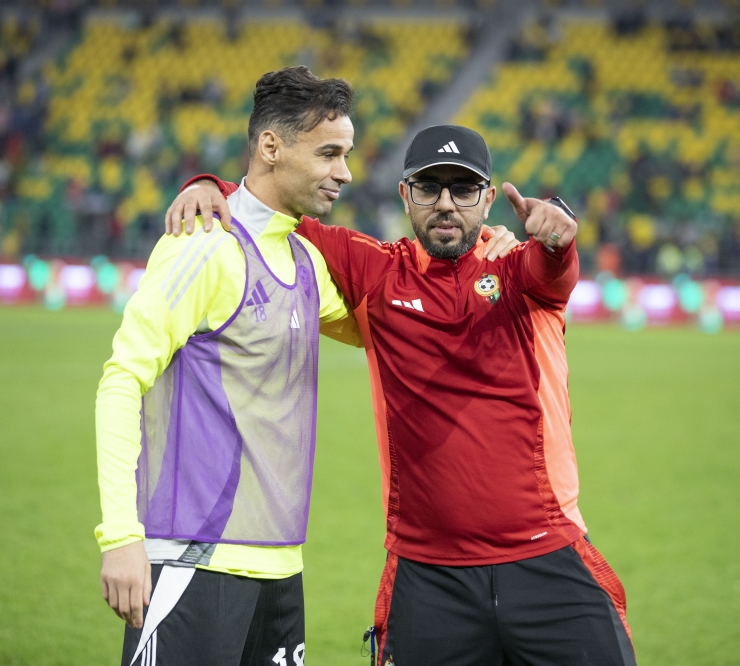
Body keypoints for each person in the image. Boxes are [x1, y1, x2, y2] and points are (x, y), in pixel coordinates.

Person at [169, 124, 637, 665]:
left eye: (462, 190)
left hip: (549, 564)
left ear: (487, 198)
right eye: (428, 188)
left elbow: (553, 269)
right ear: (404, 195)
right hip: (427, 578)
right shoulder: (376, 271)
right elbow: (274, 210)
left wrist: (558, 238)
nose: (445, 204)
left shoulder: (518, 272)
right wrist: (210, 185)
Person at [97, 68, 519, 666]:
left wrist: (481, 249)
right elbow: (120, 381)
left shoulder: (305, 259)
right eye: (329, 153)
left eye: (345, 154)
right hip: (194, 561)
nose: (345, 172)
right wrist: (121, 537)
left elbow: (416, 323)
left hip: (281, 568)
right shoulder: (203, 245)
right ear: (271, 147)